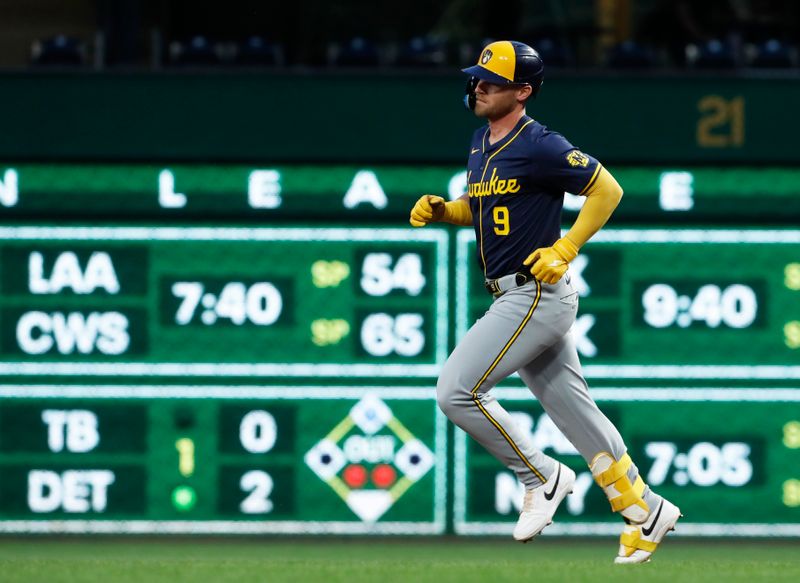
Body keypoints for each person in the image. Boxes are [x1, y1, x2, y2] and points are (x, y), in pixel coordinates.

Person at [409, 40, 681, 564]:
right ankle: (644, 509)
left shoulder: (541, 144)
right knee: (574, 409)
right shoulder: (481, 141)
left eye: (493, 81)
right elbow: (490, 210)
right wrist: (449, 212)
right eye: (478, 77)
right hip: (519, 291)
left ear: (523, 91)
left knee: (456, 391)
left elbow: (608, 190)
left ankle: (542, 476)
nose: (480, 86)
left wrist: (566, 246)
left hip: (534, 292)